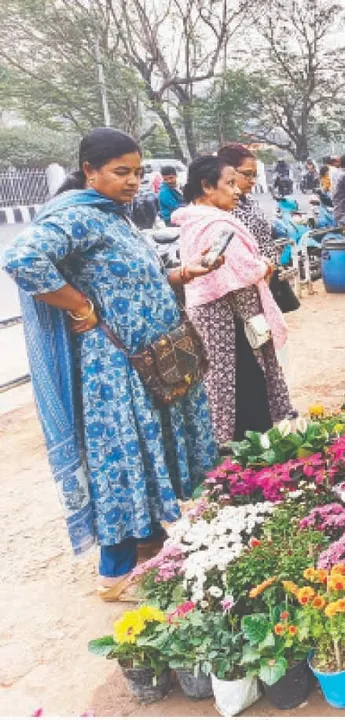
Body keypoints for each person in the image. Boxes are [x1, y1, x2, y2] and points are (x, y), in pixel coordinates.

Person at [2, 128, 220, 600]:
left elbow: (129, 279)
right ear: (90, 171)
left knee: (149, 453)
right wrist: (80, 306)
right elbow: (21, 257)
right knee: (122, 459)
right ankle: (115, 574)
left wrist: (183, 273)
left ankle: (151, 547)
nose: (133, 181)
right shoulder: (80, 217)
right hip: (116, 369)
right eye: (122, 172)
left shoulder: (113, 217)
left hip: (152, 360)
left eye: (138, 172)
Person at [173, 155, 295, 446]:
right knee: (244, 380)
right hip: (231, 316)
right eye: (229, 183)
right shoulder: (216, 224)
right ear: (206, 186)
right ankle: (248, 447)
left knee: (221, 379)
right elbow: (244, 269)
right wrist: (265, 264)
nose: (238, 189)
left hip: (213, 313)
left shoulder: (195, 219)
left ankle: (232, 441)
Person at [217, 144, 276, 261]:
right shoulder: (222, 207)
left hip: (268, 269)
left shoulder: (249, 199)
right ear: (227, 171)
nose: (253, 181)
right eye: (247, 174)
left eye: (255, 175)